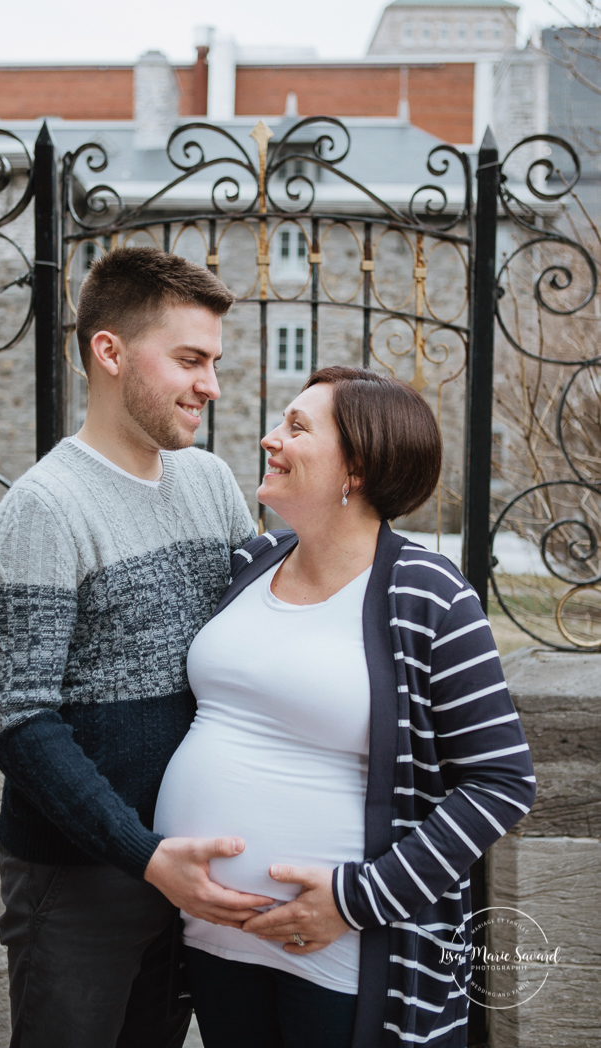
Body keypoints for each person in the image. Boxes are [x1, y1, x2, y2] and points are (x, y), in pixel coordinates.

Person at [154, 366, 536, 1048]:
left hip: (345, 952)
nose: (271, 439)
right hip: (212, 938)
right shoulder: (253, 560)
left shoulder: (430, 595)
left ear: (355, 468)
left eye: (296, 427)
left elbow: (501, 782)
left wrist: (354, 901)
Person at [0, 247, 269, 1048]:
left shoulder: (209, 482)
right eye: (189, 359)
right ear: (109, 351)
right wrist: (143, 855)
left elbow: (266, 635)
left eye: (213, 361)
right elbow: (18, 720)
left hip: (186, 866)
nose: (210, 383)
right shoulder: (44, 507)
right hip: (79, 882)